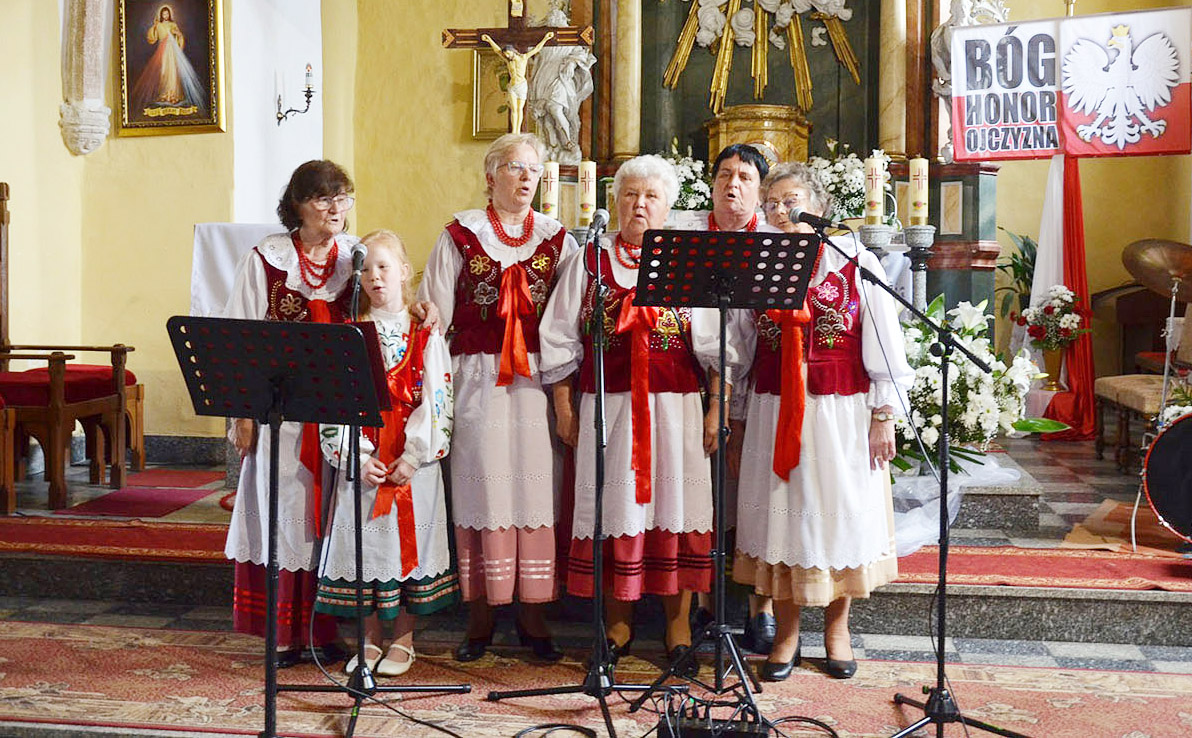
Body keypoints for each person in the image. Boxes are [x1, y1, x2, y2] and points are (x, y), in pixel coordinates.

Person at [540, 155, 736, 676]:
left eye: (651, 196)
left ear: (668, 207)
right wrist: (564, 407)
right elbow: (559, 338)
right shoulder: (590, 261)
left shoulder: (688, 261)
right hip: (610, 408)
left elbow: (717, 346)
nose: (639, 204)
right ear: (614, 203)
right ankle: (618, 626)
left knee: (676, 509)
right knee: (614, 509)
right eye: (630, 195)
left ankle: (678, 628)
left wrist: (717, 407)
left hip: (676, 410)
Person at [730, 161, 914, 681]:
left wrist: (884, 415)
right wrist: (739, 421)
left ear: (819, 207)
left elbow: (883, 343)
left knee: (839, 516)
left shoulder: (855, 261)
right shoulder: (759, 266)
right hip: (774, 409)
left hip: (840, 413)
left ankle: (838, 629)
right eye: (773, 204)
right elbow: (741, 351)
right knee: (782, 518)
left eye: (792, 201)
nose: (782, 211)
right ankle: (786, 634)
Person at [418, 132, 578, 663]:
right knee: (481, 488)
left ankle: (533, 613)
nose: (527, 177)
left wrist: (563, 398)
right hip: (476, 381)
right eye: (514, 167)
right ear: (491, 176)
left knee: (536, 492)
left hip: (536, 382)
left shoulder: (559, 240)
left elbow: (569, 322)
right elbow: (434, 317)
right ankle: (480, 615)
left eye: (534, 169)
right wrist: (431, 396)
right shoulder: (460, 235)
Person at [222, 160, 359, 668]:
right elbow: (237, 339)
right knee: (284, 517)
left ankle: (324, 629)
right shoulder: (267, 260)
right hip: (280, 415)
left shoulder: (357, 258)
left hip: (337, 412)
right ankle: (282, 633)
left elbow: (385, 306)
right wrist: (240, 416)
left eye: (343, 198)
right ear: (297, 205)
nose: (335, 209)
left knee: (328, 519)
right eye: (323, 199)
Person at [313, 230, 458, 678]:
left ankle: (405, 639)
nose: (376, 277)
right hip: (368, 459)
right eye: (367, 269)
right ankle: (370, 637)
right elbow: (333, 401)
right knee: (367, 548)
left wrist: (414, 455)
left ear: (403, 272)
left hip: (411, 465)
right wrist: (355, 456)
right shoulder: (349, 335)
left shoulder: (425, 333)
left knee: (408, 549)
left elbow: (438, 398)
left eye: (384, 267)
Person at [688, 143, 779, 655]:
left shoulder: (772, 243)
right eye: (725, 174)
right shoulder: (689, 239)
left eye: (744, 176)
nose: (733, 184)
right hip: (691, 384)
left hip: (755, 388)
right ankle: (702, 605)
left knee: (754, 497)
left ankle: (760, 606)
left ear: (759, 190)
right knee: (703, 495)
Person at [131, 5, 207, 114]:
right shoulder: (159, 25)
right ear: (160, 14)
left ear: (169, 15)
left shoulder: (173, 25)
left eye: (167, 14)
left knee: (173, 72)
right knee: (163, 72)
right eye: (163, 14)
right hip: (162, 50)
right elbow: (152, 38)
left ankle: (173, 94)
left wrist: (178, 34)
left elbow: (179, 38)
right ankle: (164, 94)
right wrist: (154, 26)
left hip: (172, 51)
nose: (165, 15)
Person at [481, 32, 555, 134]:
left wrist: (546, 38)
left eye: (508, 53)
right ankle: (514, 131)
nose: (507, 56)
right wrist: (489, 40)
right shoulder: (508, 61)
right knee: (514, 109)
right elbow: (498, 51)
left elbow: (537, 49)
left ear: (512, 51)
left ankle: (518, 131)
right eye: (506, 54)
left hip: (522, 86)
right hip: (512, 86)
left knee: (520, 109)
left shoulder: (523, 58)